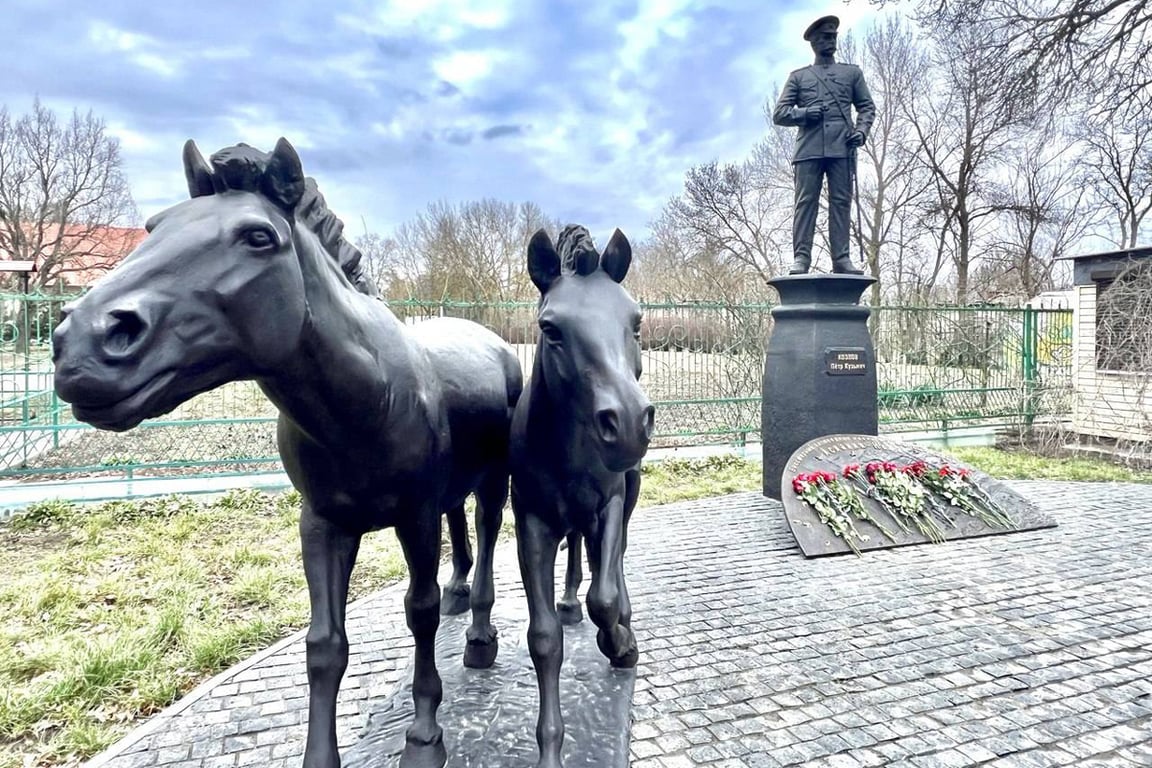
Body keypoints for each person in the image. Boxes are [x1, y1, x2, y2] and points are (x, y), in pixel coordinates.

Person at [772, 15, 875, 275]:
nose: (830, 41)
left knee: (841, 202)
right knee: (806, 203)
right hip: (809, 150)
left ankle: (841, 259)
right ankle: (801, 259)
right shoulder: (799, 77)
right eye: (825, 37)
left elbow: (866, 107)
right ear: (814, 43)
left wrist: (861, 132)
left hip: (842, 148)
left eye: (833, 37)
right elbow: (780, 113)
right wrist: (805, 113)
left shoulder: (852, 73)